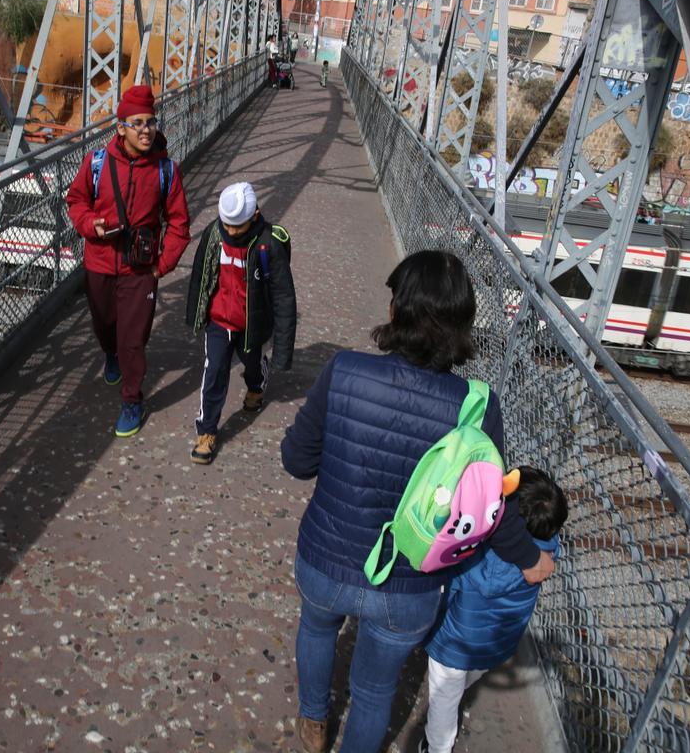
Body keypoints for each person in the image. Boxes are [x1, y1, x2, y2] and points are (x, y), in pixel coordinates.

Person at [281, 250, 556, 753]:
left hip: (326, 558)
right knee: (374, 691)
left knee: (317, 631)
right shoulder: (477, 405)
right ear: (464, 328)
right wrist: (531, 559)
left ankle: (314, 722)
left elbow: (297, 461)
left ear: (396, 311)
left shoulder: (343, 371)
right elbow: (487, 509)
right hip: (408, 588)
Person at [65, 84, 191, 437]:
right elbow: (75, 201)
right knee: (105, 324)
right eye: (137, 123)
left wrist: (162, 264)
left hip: (140, 268)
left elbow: (180, 223)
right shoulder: (96, 162)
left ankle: (132, 400)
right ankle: (111, 354)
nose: (146, 130)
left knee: (133, 338)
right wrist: (91, 224)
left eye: (151, 122)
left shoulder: (166, 170)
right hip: (100, 263)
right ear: (120, 127)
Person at [421, 466, 568, 753]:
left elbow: (449, 582)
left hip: (455, 643)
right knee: (468, 676)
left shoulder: (478, 553)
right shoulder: (547, 554)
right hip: (497, 644)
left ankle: (436, 747)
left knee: (444, 698)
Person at [185, 182, 296, 465]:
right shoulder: (213, 235)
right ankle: (207, 431)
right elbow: (200, 276)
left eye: (238, 227)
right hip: (219, 322)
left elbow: (284, 298)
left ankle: (257, 382)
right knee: (214, 372)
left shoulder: (268, 244)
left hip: (251, 325)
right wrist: (196, 316)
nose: (231, 233)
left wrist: (283, 353)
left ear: (255, 216)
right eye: (227, 225)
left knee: (251, 362)